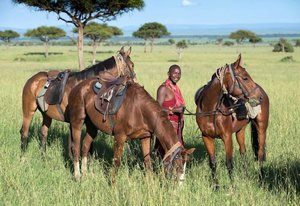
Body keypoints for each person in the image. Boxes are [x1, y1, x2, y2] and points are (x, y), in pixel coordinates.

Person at [154, 64, 186, 156]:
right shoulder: (163, 88)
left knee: (175, 152)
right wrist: (175, 110)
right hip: (167, 125)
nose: (177, 76)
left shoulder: (176, 88)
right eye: (175, 73)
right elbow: (157, 109)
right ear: (168, 73)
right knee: (168, 151)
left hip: (177, 125)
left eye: (179, 73)